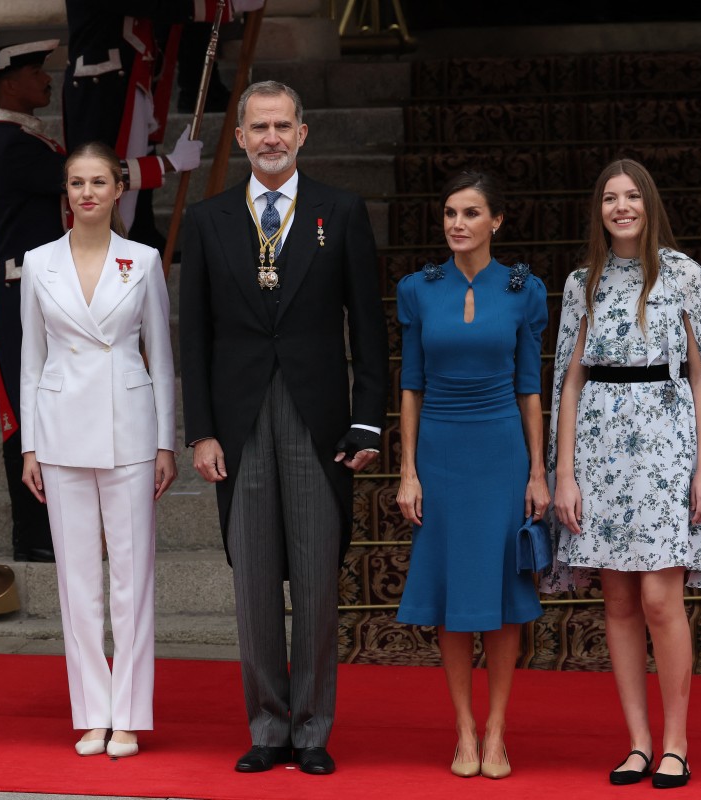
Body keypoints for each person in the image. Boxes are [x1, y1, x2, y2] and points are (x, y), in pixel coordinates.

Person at [179, 80, 388, 776]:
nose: (271, 137)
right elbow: (194, 337)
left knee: (319, 585)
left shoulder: (341, 212)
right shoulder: (208, 222)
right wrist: (200, 430)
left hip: (319, 420)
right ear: (238, 138)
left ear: (304, 133)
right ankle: (268, 727)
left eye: (282, 126)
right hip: (238, 425)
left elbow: (368, 325)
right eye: (258, 127)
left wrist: (366, 421)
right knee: (254, 582)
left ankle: (313, 728)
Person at [546, 159, 701, 790]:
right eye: (610, 199)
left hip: (669, 447)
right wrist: (564, 473)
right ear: (599, 210)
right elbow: (567, 381)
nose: (621, 207)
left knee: (658, 599)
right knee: (617, 600)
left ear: (649, 204)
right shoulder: (580, 282)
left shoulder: (683, 275)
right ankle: (639, 743)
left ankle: (677, 742)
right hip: (599, 451)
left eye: (631, 197)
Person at [19, 141, 177, 758]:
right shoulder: (39, 263)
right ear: (67, 192)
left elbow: (160, 360)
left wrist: (165, 440)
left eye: (99, 182)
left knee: (132, 579)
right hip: (59, 431)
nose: (87, 193)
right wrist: (30, 446)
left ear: (118, 190)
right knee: (76, 581)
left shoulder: (143, 260)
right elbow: (32, 360)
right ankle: (91, 710)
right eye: (77, 183)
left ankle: (130, 713)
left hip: (131, 428)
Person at [394, 171, 548, 780]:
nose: (457, 223)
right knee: (453, 593)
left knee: (504, 600)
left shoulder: (523, 289)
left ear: (496, 221)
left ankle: (496, 732)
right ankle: (463, 728)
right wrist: (408, 471)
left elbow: (530, 388)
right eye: (450, 213)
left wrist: (539, 472)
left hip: (502, 454)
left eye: (471, 213)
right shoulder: (417, 288)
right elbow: (411, 385)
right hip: (439, 453)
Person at [62, 0, 263, 248]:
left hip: (130, 74)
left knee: (134, 167)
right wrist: (222, 6)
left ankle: (137, 237)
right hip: (103, 84)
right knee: (104, 176)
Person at [0, 38, 65, 562]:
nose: (47, 79)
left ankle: (51, 526)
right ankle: (32, 535)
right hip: (20, 289)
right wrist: (159, 167)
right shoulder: (12, 143)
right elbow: (80, 184)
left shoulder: (30, 138)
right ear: (10, 83)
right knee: (27, 411)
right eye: (36, 72)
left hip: (41, 284)